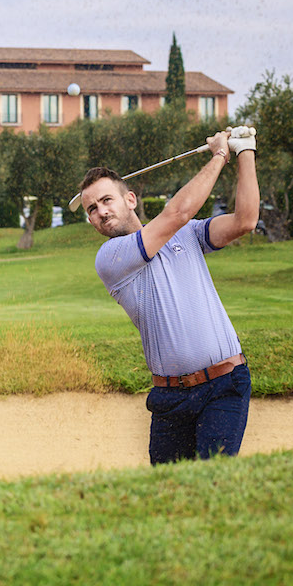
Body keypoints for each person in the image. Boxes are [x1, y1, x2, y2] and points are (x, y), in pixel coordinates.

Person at [79, 128, 259, 464]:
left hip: (225, 385)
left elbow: (245, 220)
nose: (101, 212)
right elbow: (177, 213)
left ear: (130, 199)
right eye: (92, 209)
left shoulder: (189, 235)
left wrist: (244, 151)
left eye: (106, 200)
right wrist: (220, 155)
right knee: (169, 497)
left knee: (212, 481)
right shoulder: (110, 259)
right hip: (169, 398)